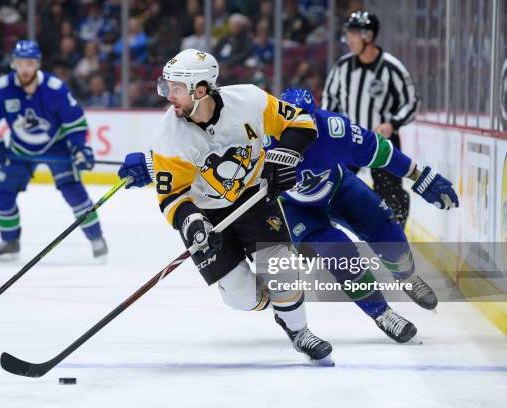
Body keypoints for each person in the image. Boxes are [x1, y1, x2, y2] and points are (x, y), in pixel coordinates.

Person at [118, 88, 459, 343]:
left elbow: (379, 151)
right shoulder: (258, 130)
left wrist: (421, 177)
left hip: (341, 189)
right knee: (339, 254)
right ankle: (382, 313)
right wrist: (151, 163)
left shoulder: (332, 130)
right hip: (296, 208)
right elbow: (209, 151)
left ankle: (407, 276)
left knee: (389, 237)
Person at [119, 49, 333, 364]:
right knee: (241, 298)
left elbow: (301, 122)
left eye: (176, 88)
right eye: (167, 86)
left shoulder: (250, 101)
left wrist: (284, 156)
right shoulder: (169, 136)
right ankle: (279, 305)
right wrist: (194, 224)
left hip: (253, 198)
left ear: (201, 90)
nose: (168, 96)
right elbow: (172, 197)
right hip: (204, 213)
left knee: (283, 271)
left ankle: (299, 332)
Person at [0, 40, 108, 261]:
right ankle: (10, 241)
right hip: (20, 149)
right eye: (20, 63)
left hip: (56, 147)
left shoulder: (54, 89)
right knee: (2, 195)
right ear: (13, 64)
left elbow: (75, 123)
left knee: (73, 191)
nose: (24, 68)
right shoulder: (2, 88)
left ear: (37, 64)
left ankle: (96, 239)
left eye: (29, 63)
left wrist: (79, 148)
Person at [322, 11, 418, 227]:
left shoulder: (392, 68)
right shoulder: (342, 67)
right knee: (329, 188)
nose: (348, 39)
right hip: (346, 139)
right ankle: (324, 242)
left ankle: (393, 245)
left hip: (381, 142)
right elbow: (329, 100)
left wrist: (391, 124)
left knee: (390, 194)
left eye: (353, 34)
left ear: (368, 36)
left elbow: (411, 102)